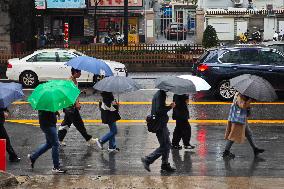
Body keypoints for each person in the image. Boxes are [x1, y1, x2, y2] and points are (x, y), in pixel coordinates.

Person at [58, 68, 96, 146]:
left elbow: (74, 92)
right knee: (79, 124)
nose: (80, 74)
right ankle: (88, 139)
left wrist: (81, 92)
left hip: (70, 106)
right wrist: (76, 103)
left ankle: (59, 140)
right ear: (75, 72)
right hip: (70, 107)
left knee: (66, 124)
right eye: (79, 72)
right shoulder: (70, 81)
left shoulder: (74, 80)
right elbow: (70, 95)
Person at [141, 90, 176, 172]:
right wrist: (170, 107)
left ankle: (165, 164)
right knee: (165, 146)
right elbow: (159, 110)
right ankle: (148, 159)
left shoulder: (158, 94)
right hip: (160, 124)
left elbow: (158, 108)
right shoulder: (161, 95)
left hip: (160, 123)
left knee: (167, 144)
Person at [222, 92, 264, 159]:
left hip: (241, 118)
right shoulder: (239, 96)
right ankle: (226, 152)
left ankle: (255, 149)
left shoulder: (243, 95)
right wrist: (249, 100)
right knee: (233, 136)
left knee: (248, 133)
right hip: (238, 119)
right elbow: (243, 105)